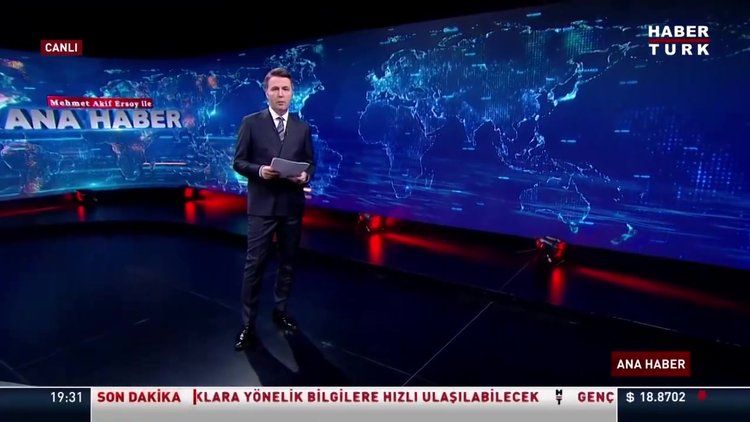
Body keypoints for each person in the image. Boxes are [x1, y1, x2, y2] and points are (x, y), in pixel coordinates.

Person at [231, 67, 315, 350]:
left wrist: (305, 176)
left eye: (285, 89)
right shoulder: (251, 123)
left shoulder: (302, 127)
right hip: (262, 206)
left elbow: (310, 163)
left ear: (292, 93)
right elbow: (238, 162)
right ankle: (248, 325)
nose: (281, 94)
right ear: (266, 92)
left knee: (288, 263)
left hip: (291, 206)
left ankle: (280, 311)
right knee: (254, 266)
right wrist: (260, 171)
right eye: (275, 89)